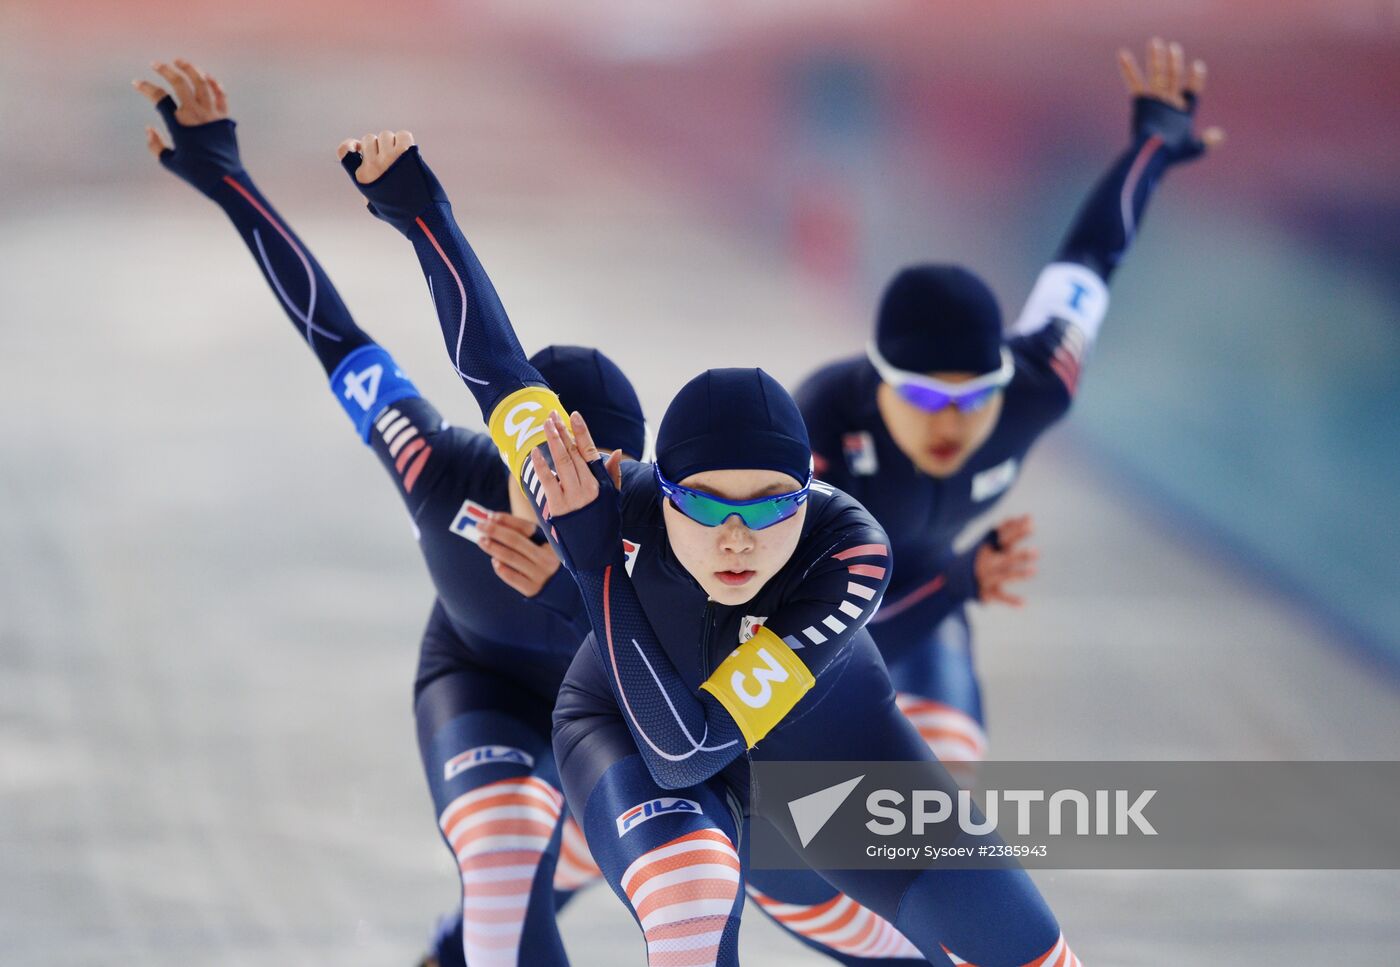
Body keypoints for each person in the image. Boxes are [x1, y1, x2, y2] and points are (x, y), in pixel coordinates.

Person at [334, 126, 1082, 965]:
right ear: (658, 492)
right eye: (704, 505)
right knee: (690, 894)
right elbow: (498, 371)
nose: (736, 536)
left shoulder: (848, 555)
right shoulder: (596, 494)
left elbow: (701, 739)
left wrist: (590, 562)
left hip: (813, 763)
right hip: (629, 738)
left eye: (768, 509)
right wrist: (419, 208)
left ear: (810, 502)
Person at [133, 60, 643, 967]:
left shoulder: (680, 522)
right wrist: (229, 180)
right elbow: (334, 331)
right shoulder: (436, 465)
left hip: (619, 703)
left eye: (602, 473)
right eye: (550, 465)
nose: (574, 490)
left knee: (627, 864)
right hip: (480, 686)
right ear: (515, 445)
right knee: (502, 854)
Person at [796, 38, 1222, 774]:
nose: (951, 421)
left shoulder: (1039, 383)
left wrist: (1151, 148)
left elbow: (1089, 259)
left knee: (941, 782)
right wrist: (956, 581)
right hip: (814, 615)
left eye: (973, 395)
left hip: (930, 593)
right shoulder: (823, 426)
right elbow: (810, 649)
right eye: (925, 396)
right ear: (880, 383)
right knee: (800, 812)